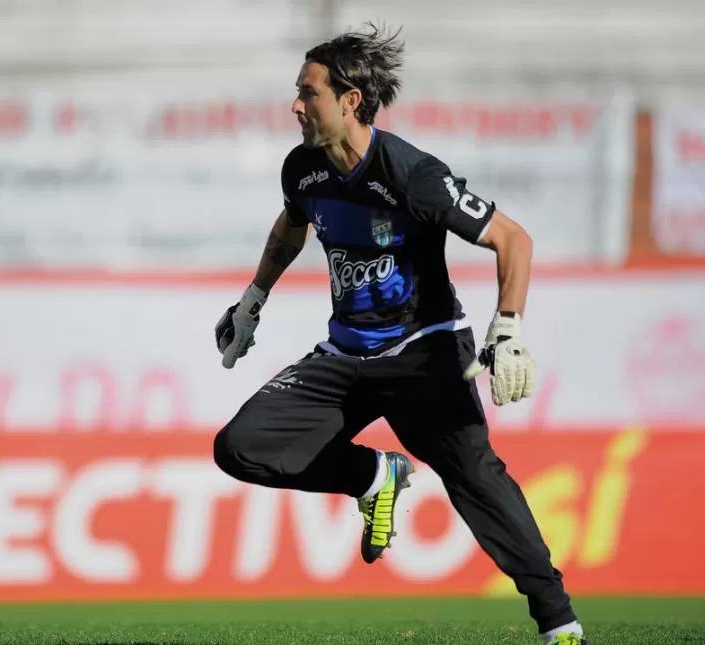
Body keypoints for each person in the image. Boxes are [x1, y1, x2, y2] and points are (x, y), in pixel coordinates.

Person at [212, 22, 586, 645]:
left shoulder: (410, 171)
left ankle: (559, 622)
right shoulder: (302, 170)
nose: (296, 105)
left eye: (308, 92)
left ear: (349, 100)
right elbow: (291, 227)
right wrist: (254, 299)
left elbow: (511, 238)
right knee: (239, 446)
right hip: (346, 355)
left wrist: (510, 327)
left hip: (425, 353)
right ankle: (372, 478)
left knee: (476, 478)